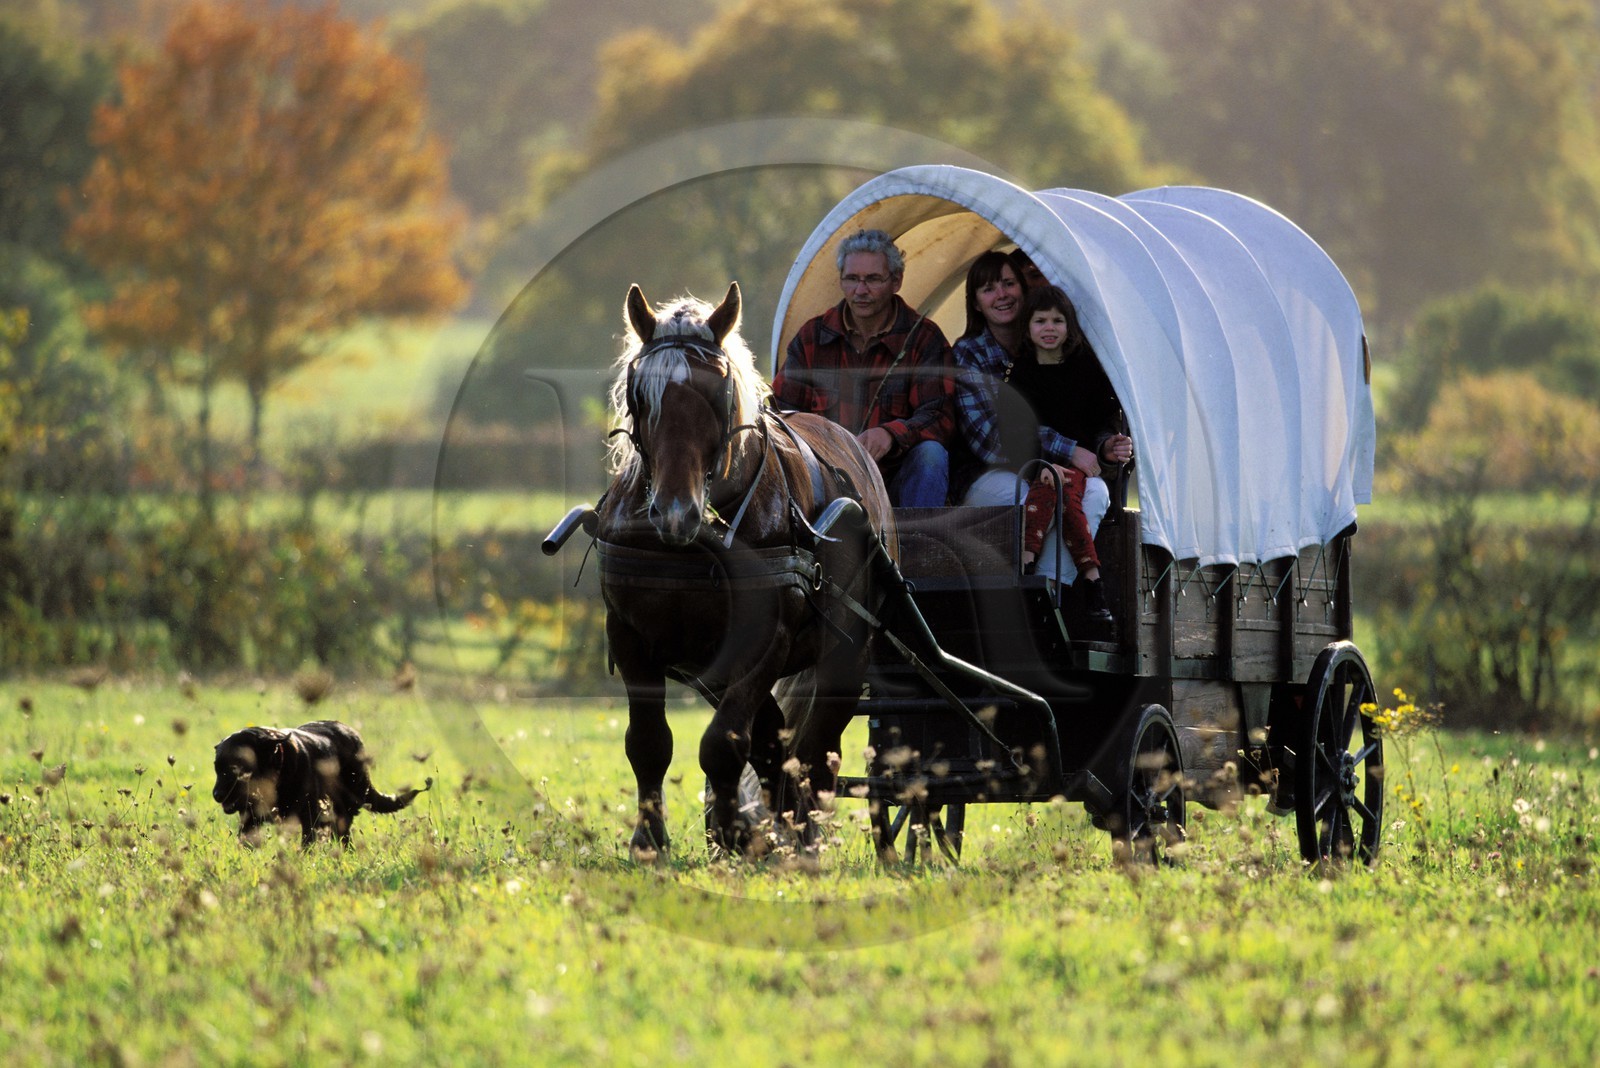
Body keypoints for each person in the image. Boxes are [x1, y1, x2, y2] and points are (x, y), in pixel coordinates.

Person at [950, 255, 1129, 621]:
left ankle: (1046, 599)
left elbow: (1091, 415)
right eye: (988, 289)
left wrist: (1103, 449)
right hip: (992, 473)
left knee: (1097, 493)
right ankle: (1040, 598)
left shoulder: (1062, 352)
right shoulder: (970, 354)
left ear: (1024, 287)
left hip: (1061, 472)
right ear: (976, 302)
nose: (1001, 295)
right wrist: (1060, 452)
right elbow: (989, 438)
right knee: (1045, 496)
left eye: (1008, 283)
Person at [772, 229, 954, 506]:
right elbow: (781, 413)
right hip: (826, 480)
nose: (861, 291)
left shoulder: (924, 337)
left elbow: (940, 415)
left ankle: (919, 543)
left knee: (931, 454)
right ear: (841, 281)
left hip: (896, 478)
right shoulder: (812, 337)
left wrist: (892, 435)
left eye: (873, 279)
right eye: (852, 279)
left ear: (896, 281)